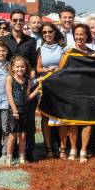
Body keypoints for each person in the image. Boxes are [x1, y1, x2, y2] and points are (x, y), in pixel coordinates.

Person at [0, 9, 38, 161]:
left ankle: (28, 152)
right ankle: (9, 153)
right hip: (10, 84)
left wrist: (33, 72)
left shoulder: (31, 41)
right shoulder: (4, 40)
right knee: (10, 125)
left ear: (24, 21)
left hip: (26, 84)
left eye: (21, 20)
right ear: (10, 21)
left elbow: (34, 63)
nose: (18, 23)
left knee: (29, 124)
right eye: (15, 20)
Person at [63, 23, 95, 163]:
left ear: (87, 36)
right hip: (71, 92)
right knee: (73, 122)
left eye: (82, 34)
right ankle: (73, 148)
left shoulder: (94, 53)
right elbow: (60, 70)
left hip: (88, 92)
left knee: (87, 122)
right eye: (76, 34)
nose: (79, 37)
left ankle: (83, 150)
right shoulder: (68, 52)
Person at [36, 22, 66, 159]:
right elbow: (38, 69)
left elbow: (66, 67)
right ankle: (48, 148)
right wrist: (46, 70)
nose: (47, 34)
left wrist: (58, 69)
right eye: (44, 32)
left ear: (55, 32)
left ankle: (63, 148)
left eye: (50, 31)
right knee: (45, 117)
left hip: (59, 86)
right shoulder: (40, 49)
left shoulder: (63, 48)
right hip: (45, 86)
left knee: (60, 117)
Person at [5, 56, 40, 166]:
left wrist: (37, 90)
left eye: (22, 67)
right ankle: (9, 157)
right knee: (12, 135)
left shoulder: (27, 80)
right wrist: (15, 110)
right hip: (14, 111)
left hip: (25, 110)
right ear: (13, 67)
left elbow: (27, 97)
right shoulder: (10, 78)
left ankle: (22, 157)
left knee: (23, 136)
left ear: (26, 68)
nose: (20, 69)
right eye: (18, 67)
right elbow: (9, 95)